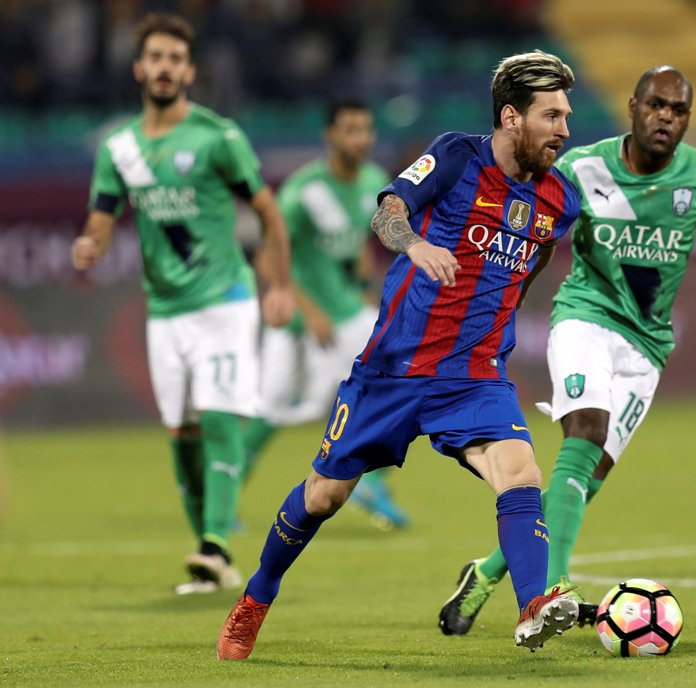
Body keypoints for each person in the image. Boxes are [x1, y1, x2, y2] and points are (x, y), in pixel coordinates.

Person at [216, 49, 580, 661]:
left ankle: (533, 603)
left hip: (474, 375)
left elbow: (536, 257)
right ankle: (256, 596)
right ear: (512, 117)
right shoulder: (458, 156)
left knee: (520, 471)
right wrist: (412, 244)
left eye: (567, 116)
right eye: (552, 116)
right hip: (393, 370)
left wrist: (500, 307)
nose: (565, 130)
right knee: (323, 496)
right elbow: (388, 213)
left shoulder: (557, 200)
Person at [438, 65, 696, 635]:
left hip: (647, 346)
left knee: (586, 477)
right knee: (584, 431)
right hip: (583, 318)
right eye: (656, 105)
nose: (666, 117)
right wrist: (503, 310)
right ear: (633, 106)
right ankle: (549, 593)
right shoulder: (582, 168)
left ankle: (487, 571)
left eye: (679, 110)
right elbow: (535, 237)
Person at [71, 13, 294, 595]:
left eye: (176, 59)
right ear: (139, 68)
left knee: (221, 419)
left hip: (225, 301)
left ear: (189, 71)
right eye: (157, 58)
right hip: (165, 313)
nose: (166, 68)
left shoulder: (219, 137)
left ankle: (214, 543)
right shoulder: (118, 148)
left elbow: (269, 213)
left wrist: (280, 285)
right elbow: (101, 217)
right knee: (182, 438)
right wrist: (89, 244)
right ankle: (213, 558)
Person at [241, 98, 408, 530]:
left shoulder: (373, 180)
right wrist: (308, 310)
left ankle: (373, 483)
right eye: (350, 129)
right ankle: (223, 497)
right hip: (301, 321)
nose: (361, 139)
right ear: (331, 136)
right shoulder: (304, 192)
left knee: (405, 384)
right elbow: (266, 257)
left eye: (366, 129)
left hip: (349, 312)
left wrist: (370, 292)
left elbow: (356, 251)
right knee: (274, 406)